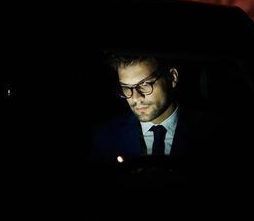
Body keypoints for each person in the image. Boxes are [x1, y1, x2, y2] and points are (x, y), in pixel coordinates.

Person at [89, 53, 230, 164]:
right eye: (126, 88)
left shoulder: (215, 133)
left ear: (172, 77)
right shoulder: (106, 137)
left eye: (144, 84)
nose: (136, 97)